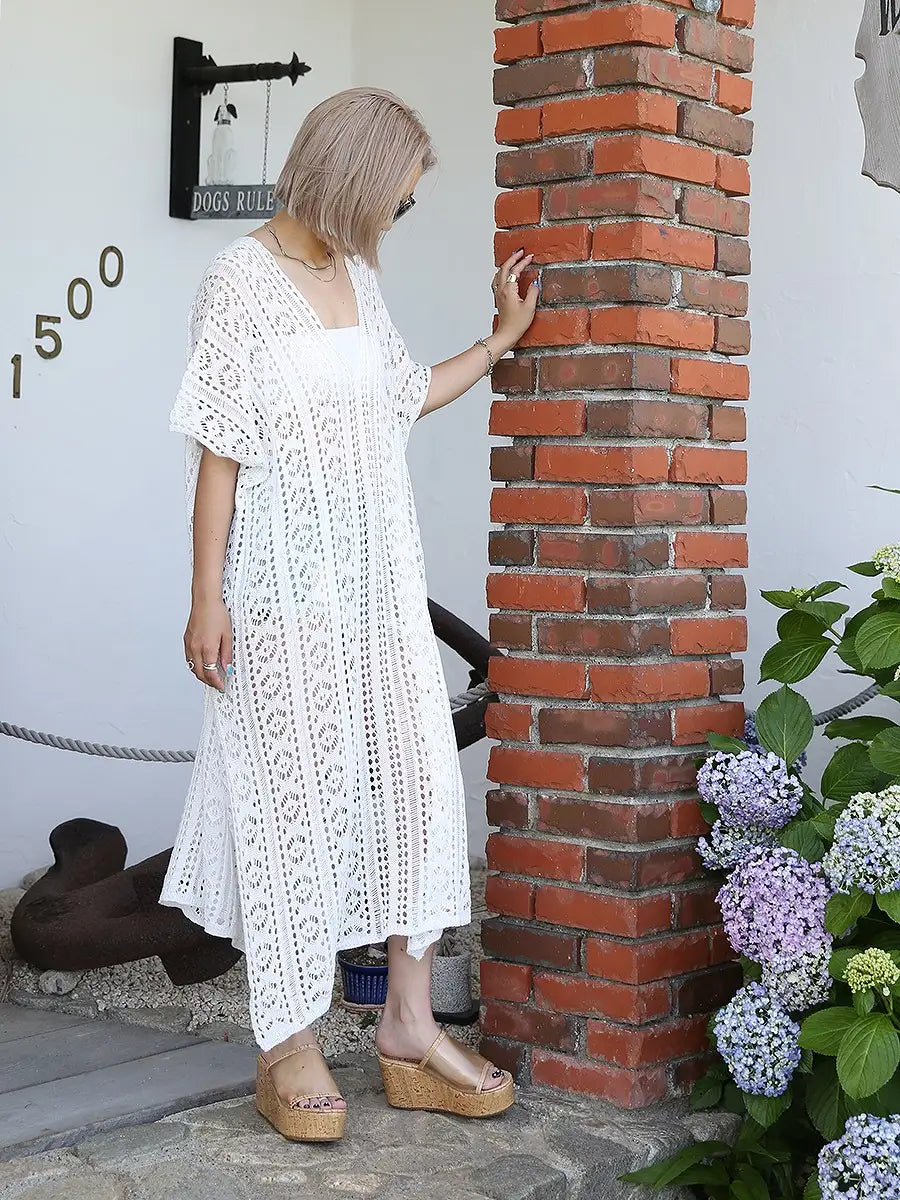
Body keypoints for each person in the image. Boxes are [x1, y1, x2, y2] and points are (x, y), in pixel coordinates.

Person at [160, 86, 538, 1143]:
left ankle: (408, 1029)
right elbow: (219, 452)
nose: (397, 218)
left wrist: (499, 341)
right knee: (293, 807)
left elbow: (400, 397)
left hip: (380, 596)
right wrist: (205, 597)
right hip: (280, 600)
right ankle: (286, 1042)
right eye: (399, 198)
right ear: (356, 176)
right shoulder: (237, 280)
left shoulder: (359, 278)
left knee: (418, 790)